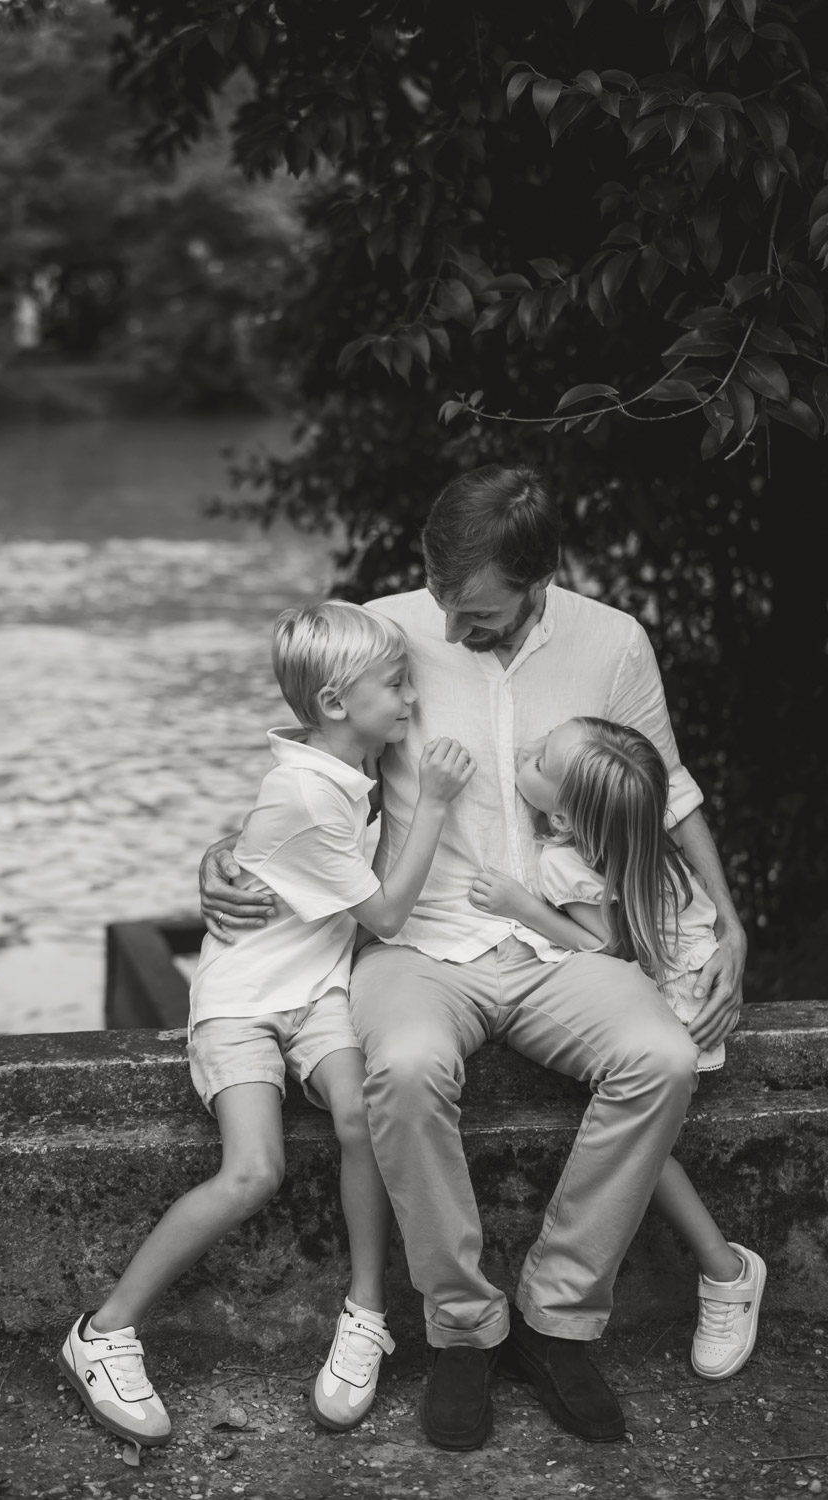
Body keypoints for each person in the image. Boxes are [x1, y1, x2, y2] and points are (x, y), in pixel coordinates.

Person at [200, 465, 747, 1451]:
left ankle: (557, 1317)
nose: (452, 631)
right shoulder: (381, 630)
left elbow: (665, 791)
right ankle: (462, 1328)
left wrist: (733, 928)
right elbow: (305, 779)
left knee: (660, 1058)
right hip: (417, 942)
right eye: (444, 601)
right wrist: (220, 857)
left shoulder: (612, 643)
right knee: (405, 1069)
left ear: (542, 580)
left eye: (481, 615)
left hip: (559, 941)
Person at [59, 600, 475, 1447]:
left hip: (316, 991)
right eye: (397, 686)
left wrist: (225, 850)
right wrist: (434, 802)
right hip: (244, 1002)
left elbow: (269, 850)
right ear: (335, 703)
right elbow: (387, 914)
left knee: (364, 1117)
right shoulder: (308, 794)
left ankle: (365, 1314)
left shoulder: (341, 769)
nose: (411, 701)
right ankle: (103, 1332)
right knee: (254, 1172)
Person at [468, 715, 765, 1381]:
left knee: (637, 1138)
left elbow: (602, 946)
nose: (526, 751)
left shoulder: (563, 862)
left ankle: (725, 1269)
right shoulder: (635, 836)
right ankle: (723, 1269)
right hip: (674, 983)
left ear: (564, 819)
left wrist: (521, 905)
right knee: (634, 1133)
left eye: (538, 763)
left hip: (676, 1004)